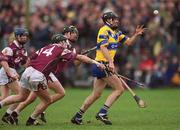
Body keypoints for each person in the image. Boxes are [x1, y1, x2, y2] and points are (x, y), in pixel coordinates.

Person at [0, 33, 105, 126]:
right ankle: (31, 120)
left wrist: (26, 72)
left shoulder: (45, 47)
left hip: (28, 71)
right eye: (64, 41)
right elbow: (79, 58)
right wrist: (96, 63)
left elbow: (30, 59)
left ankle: (2, 104)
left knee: (21, 96)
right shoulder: (61, 49)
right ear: (59, 42)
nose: (65, 43)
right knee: (48, 100)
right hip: (38, 75)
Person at [71, 11, 145, 125]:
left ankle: (78, 116)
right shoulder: (104, 30)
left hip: (102, 65)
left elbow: (129, 42)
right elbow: (104, 48)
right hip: (102, 64)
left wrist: (136, 34)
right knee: (119, 89)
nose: (117, 21)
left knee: (96, 94)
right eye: (114, 19)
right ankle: (102, 113)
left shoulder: (116, 33)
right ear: (108, 21)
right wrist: (110, 62)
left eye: (116, 19)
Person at [4, 25, 83, 125]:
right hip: (46, 73)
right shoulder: (61, 43)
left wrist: (82, 57)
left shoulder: (72, 48)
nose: (76, 34)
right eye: (74, 32)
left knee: (31, 97)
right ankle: (33, 115)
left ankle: (13, 113)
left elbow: (75, 63)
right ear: (67, 34)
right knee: (60, 93)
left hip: (44, 73)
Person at [0, 28, 29, 123]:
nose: (25, 38)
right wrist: (10, 73)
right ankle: (8, 114)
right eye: (22, 36)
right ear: (17, 37)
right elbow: (3, 62)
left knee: (4, 97)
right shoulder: (10, 48)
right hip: (6, 71)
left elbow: (25, 64)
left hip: (9, 71)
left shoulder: (23, 50)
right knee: (22, 95)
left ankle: (7, 115)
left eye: (25, 36)